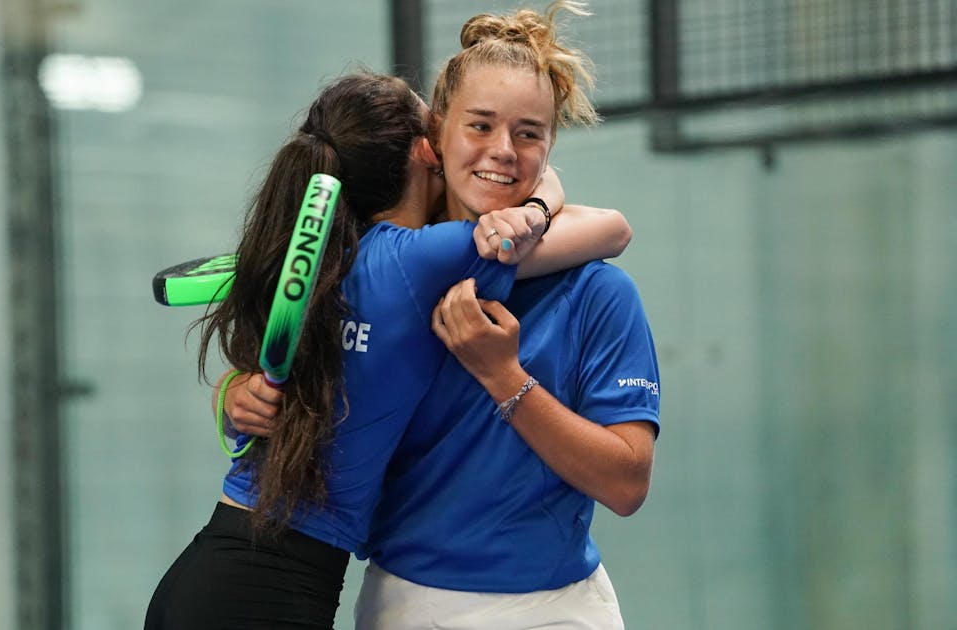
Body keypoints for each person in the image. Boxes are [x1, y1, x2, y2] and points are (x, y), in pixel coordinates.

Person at [224, 3, 660, 628]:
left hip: (561, 609)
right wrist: (234, 396)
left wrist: (505, 378)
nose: (504, 151)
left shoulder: (599, 294)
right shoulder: (371, 274)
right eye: (480, 125)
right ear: (434, 135)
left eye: (529, 133)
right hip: (405, 603)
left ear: (549, 147)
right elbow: (292, 391)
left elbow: (626, 485)